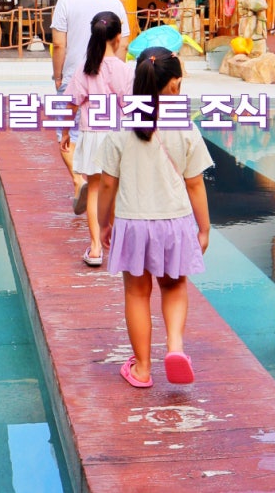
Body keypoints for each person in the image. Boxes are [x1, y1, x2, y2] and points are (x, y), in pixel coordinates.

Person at [97, 47, 212, 388]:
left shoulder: (121, 124)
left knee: (137, 294)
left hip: (132, 222)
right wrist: (204, 228)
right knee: (174, 286)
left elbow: (107, 183)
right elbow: (195, 183)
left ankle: (143, 369)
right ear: (174, 85)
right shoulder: (184, 125)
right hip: (174, 222)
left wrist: (104, 222)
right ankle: (175, 347)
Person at [51, 0, 130, 214]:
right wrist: (115, 71)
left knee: (66, 136)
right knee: (108, 133)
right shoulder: (115, 3)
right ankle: (101, 186)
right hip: (110, 81)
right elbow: (124, 43)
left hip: (75, 76)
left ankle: (79, 180)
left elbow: (59, 44)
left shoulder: (65, 2)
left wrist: (58, 76)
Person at [60, 11, 134, 267]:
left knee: (94, 189)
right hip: (118, 136)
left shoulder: (86, 68)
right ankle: (114, 243)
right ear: (118, 38)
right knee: (113, 190)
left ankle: (94, 249)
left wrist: (66, 132)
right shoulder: (125, 70)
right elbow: (130, 108)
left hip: (92, 135)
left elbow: (72, 104)